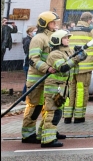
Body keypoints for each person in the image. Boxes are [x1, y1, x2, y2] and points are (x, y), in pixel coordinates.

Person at [40, 30, 85, 147]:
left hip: (61, 87)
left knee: (57, 112)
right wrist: (76, 58)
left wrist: (80, 53)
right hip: (54, 88)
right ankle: (48, 140)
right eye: (65, 38)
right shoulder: (55, 54)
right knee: (52, 113)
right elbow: (63, 67)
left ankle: (50, 132)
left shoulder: (65, 52)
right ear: (58, 40)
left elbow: (73, 67)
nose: (68, 39)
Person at [21, 12, 60, 144]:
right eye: (53, 22)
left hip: (49, 79)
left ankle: (46, 131)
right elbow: (33, 59)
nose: (55, 25)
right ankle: (27, 134)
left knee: (49, 106)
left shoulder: (53, 37)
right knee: (34, 107)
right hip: (36, 79)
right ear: (45, 24)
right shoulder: (38, 38)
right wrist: (47, 68)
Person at [63, 13, 93, 124]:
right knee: (81, 90)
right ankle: (79, 116)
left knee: (71, 90)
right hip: (84, 67)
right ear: (90, 20)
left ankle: (67, 116)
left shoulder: (71, 30)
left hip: (71, 66)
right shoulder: (90, 30)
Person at [21, 26, 35, 93]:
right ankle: (24, 96)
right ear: (29, 32)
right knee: (28, 81)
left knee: (28, 81)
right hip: (28, 63)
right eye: (34, 31)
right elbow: (27, 52)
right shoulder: (28, 41)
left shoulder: (31, 40)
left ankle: (25, 96)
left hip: (29, 63)